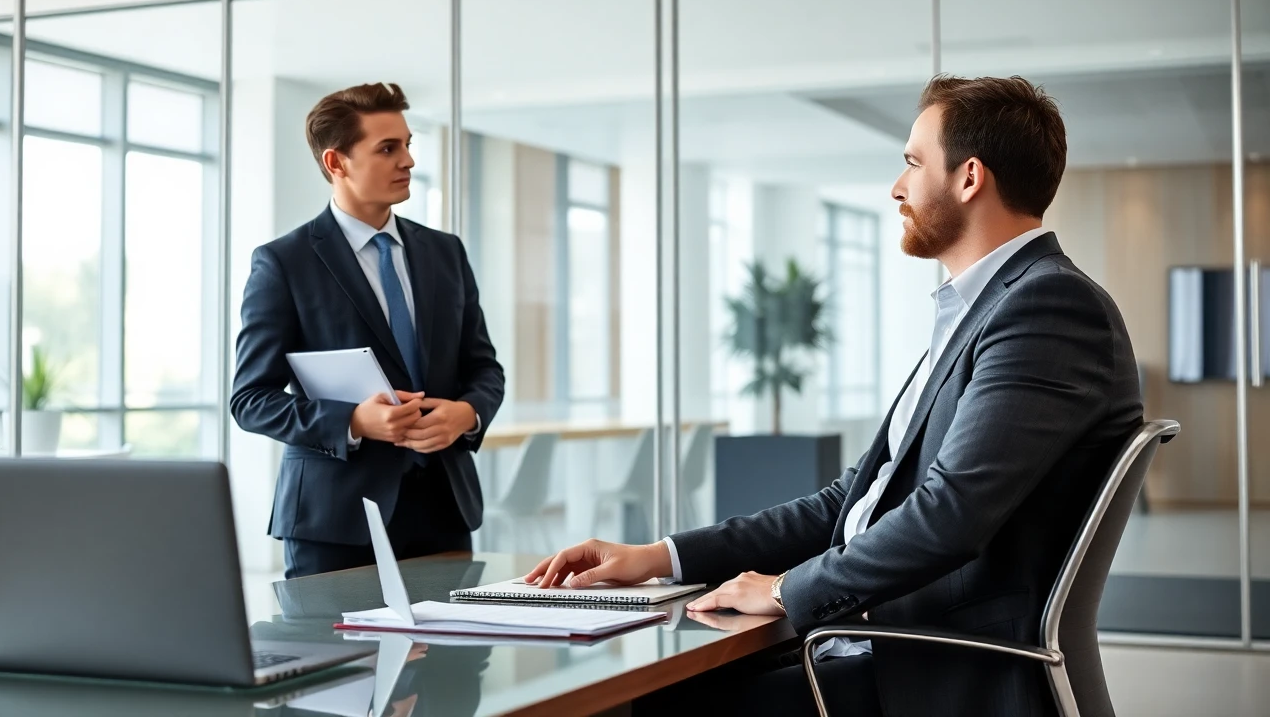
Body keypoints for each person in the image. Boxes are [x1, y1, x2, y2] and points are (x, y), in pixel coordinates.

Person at [525, 75, 1143, 717]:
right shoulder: (984, 310)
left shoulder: (1046, 306)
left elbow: (950, 515)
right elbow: (849, 503)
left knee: (637, 703)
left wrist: (786, 591)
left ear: (969, 178)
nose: (897, 187)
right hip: (883, 648)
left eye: (912, 163)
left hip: (935, 672)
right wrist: (660, 557)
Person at [231, 82, 505, 579]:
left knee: (454, 635)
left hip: (444, 511)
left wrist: (467, 413)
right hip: (334, 520)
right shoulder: (284, 263)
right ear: (336, 162)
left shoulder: (446, 253)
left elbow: (484, 368)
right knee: (335, 637)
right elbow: (251, 400)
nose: (408, 161)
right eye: (387, 148)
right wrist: (354, 421)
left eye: (407, 145)